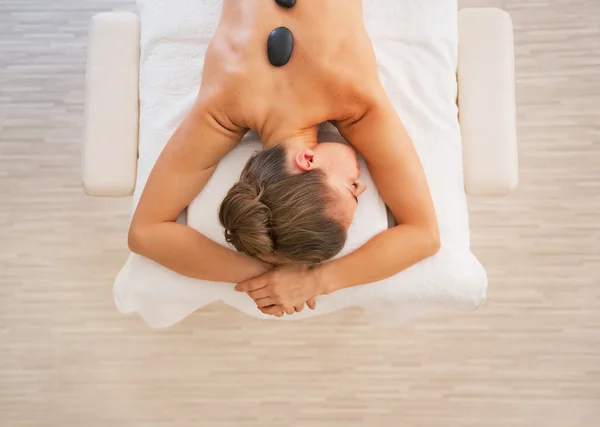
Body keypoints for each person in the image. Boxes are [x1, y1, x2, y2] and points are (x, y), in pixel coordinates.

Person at [127, 0, 440, 317]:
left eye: (350, 188)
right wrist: (272, 274)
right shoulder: (223, 106)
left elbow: (424, 235)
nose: (361, 186)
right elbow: (145, 233)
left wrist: (312, 281)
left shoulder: (356, 100)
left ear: (307, 161)